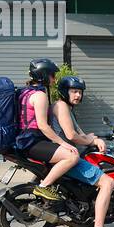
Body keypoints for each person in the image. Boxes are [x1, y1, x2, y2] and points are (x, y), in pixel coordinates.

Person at [51, 75, 114, 227]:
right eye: (74, 91)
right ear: (64, 92)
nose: (78, 95)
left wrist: (92, 137)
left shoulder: (64, 107)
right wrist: (91, 140)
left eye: (80, 92)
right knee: (107, 182)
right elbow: (71, 135)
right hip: (67, 156)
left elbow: (78, 133)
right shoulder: (61, 106)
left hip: (61, 154)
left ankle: (80, 222)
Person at [15, 58, 80, 202]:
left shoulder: (25, 92)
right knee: (72, 156)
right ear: (43, 75)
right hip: (32, 142)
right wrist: (64, 143)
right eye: (52, 75)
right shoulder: (40, 96)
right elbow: (43, 126)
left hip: (25, 140)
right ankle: (43, 186)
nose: (54, 79)